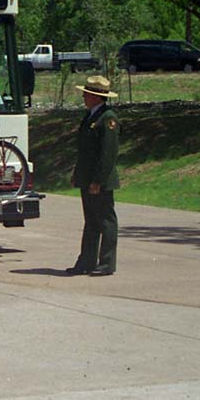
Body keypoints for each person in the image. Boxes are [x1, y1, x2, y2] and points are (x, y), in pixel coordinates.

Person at [67, 75, 120, 277]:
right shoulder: (91, 116)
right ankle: (86, 261)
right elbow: (85, 151)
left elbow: (107, 154)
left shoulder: (108, 118)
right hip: (87, 177)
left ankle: (107, 262)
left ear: (97, 97)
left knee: (106, 221)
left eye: (87, 94)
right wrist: (78, 173)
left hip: (100, 180)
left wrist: (98, 180)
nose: (84, 97)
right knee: (91, 221)